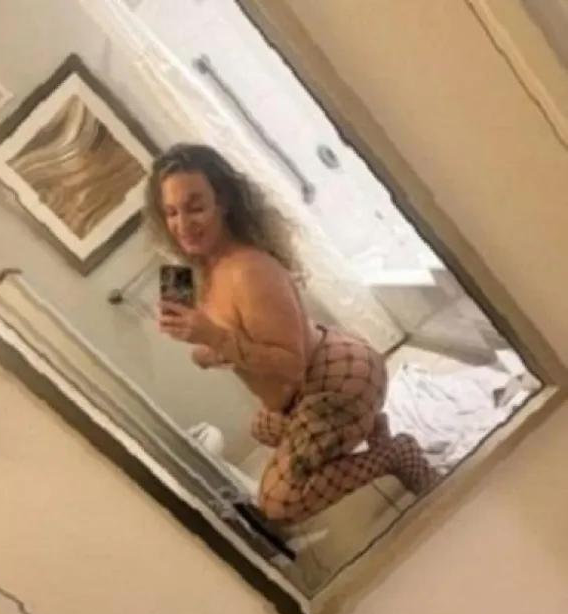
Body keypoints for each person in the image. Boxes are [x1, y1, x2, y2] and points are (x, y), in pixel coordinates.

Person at [148, 143, 437, 525]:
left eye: (195, 207)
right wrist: (199, 341)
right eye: (171, 212)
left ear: (224, 202)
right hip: (304, 389)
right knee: (263, 428)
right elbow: (233, 339)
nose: (183, 224)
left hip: (338, 378)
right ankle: (370, 427)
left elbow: (290, 366)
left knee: (277, 503)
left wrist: (215, 338)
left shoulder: (248, 270)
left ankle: (394, 454)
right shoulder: (207, 271)